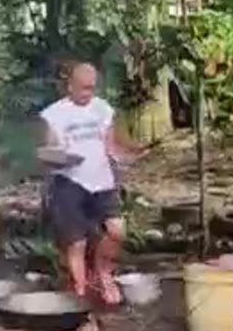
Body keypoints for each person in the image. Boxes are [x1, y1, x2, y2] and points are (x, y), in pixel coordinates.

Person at [39, 60, 142, 305]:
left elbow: (110, 145)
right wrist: (60, 157)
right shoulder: (54, 114)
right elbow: (46, 152)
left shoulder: (102, 108)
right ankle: (82, 294)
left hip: (102, 181)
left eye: (92, 88)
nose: (88, 93)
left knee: (117, 231)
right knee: (77, 244)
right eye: (83, 88)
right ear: (70, 86)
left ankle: (103, 273)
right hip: (69, 182)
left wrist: (124, 157)